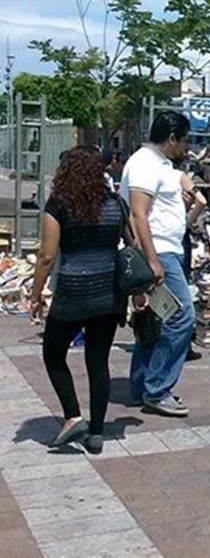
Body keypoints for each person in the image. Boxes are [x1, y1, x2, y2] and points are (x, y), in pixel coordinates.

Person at [28, 146, 128, 454]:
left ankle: (73, 416)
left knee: (54, 354)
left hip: (72, 294)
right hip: (109, 294)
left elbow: (47, 256)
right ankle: (96, 433)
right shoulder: (115, 203)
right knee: (98, 361)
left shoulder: (58, 205)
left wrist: (36, 294)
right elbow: (131, 244)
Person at [120, 111, 195, 418]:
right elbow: (138, 213)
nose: (186, 146)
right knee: (182, 317)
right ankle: (157, 389)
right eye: (184, 140)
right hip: (159, 252)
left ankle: (142, 385)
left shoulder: (160, 164)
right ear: (172, 138)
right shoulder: (144, 163)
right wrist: (151, 260)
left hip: (166, 250)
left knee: (153, 321)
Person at [180, 168, 208, 362]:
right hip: (179, 237)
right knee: (182, 291)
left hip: (159, 238)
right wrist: (186, 221)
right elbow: (202, 201)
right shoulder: (181, 179)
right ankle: (184, 344)